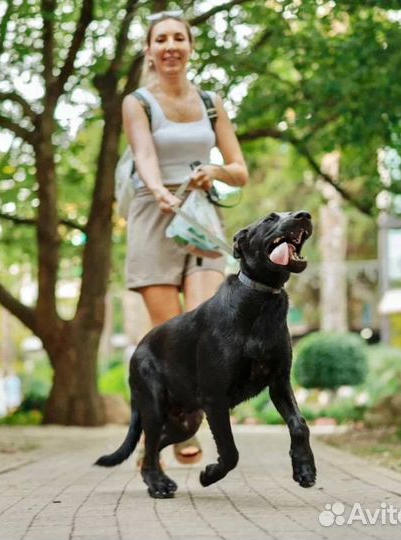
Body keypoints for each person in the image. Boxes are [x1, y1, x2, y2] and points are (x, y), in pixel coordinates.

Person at [122, 11, 249, 464]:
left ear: (190, 47)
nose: (171, 46)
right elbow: (144, 155)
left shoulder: (212, 102)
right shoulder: (138, 101)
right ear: (150, 50)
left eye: (179, 37)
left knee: (204, 329)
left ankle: (186, 424)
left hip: (200, 218)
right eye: (162, 39)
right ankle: (159, 430)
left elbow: (240, 170)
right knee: (170, 337)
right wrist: (159, 192)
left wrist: (213, 169)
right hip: (153, 215)